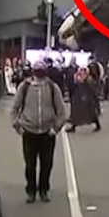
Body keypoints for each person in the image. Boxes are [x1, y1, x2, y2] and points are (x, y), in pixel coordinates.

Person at [11, 58, 66, 203]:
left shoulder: (53, 88)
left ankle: (43, 190)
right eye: (37, 69)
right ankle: (31, 191)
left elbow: (61, 112)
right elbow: (14, 109)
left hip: (48, 133)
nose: (39, 73)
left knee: (46, 164)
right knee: (30, 165)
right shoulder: (25, 87)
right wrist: (18, 126)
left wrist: (55, 128)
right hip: (29, 131)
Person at [67, 67, 101, 133]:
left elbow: (92, 89)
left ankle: (98, 125)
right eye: (81, 70)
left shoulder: (89, 79)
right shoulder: (79, 78)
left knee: (90, 112)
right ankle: (73, 126)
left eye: (83, 71)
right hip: (80, 97)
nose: (82, 72)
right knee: (77, 112)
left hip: (87, 98)